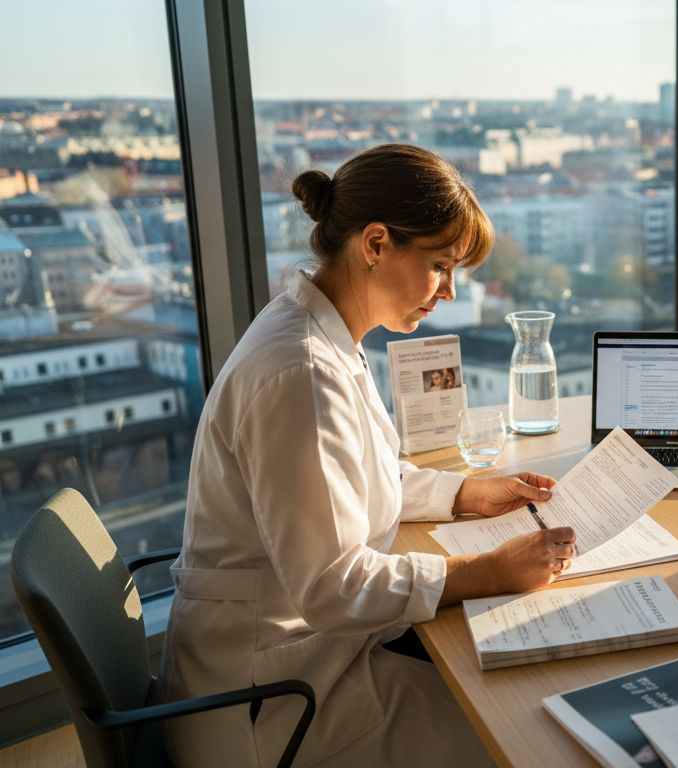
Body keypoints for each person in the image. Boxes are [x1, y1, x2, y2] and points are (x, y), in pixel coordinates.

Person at [159, 143, 577, 767]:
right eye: (440, 266)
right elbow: (332, 586)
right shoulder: (301, 371)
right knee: (521, 736)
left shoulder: (317, 331)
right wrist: (487, 572)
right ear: (376, 243)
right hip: (274, 703)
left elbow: (350, 476)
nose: (449, 292)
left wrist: (466, 493)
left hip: (299, 660)